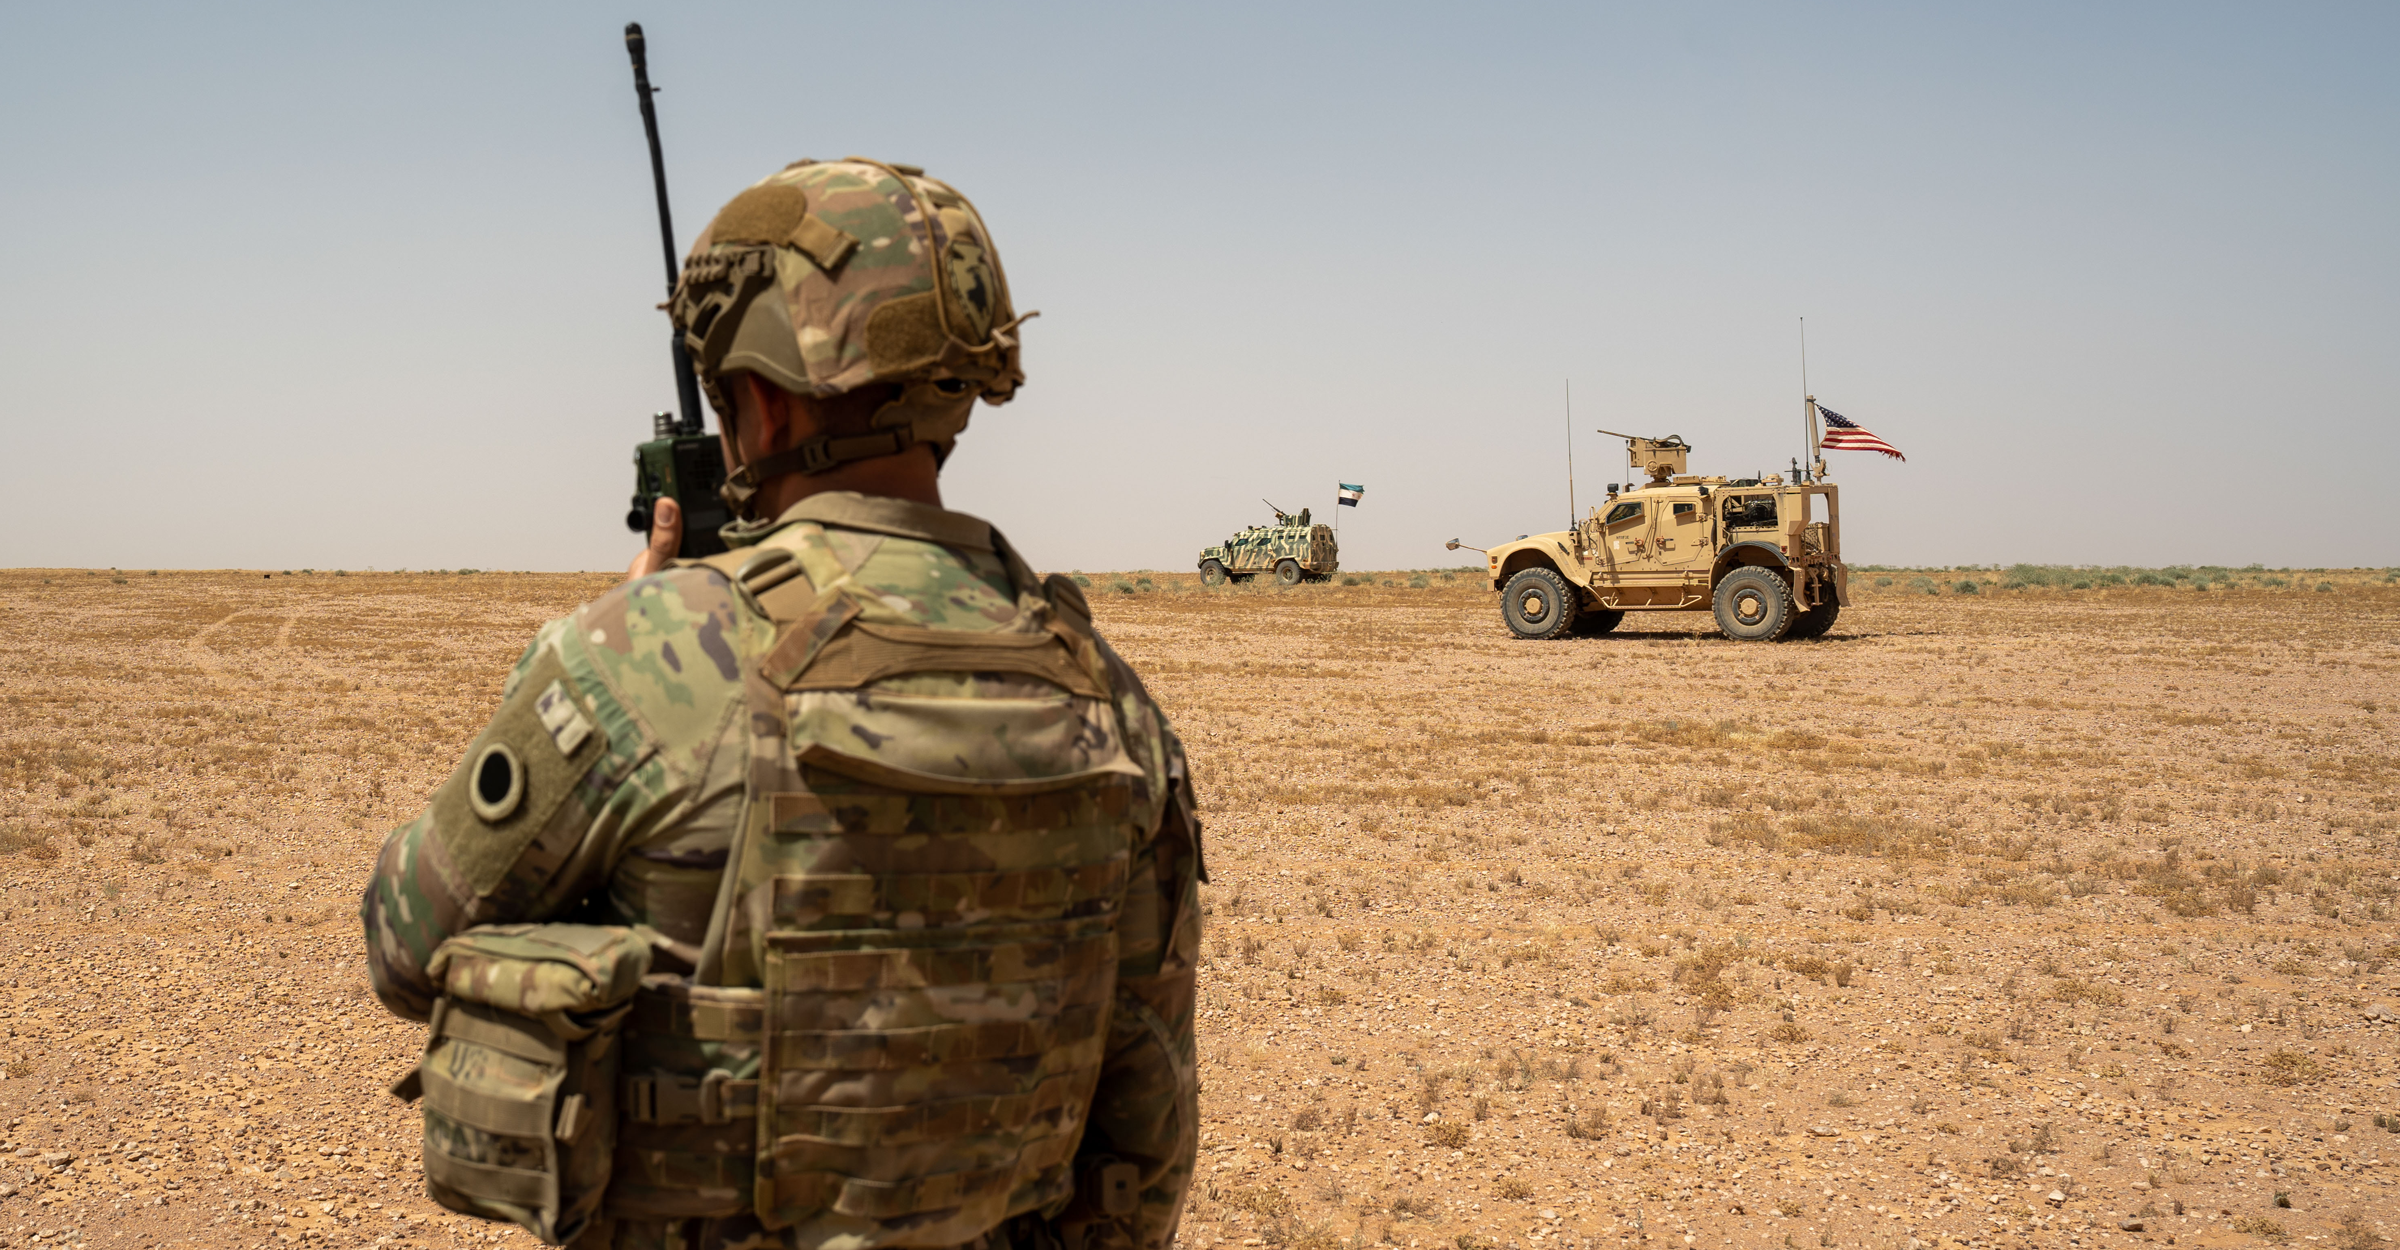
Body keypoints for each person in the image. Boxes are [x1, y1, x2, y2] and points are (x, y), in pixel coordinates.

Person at [362, 158, 1202, 1250]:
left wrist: (597, 655)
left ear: (755, 396)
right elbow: (1145, 1126)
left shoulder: (651, 654)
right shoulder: (1105, 690)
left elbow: (405, 939)